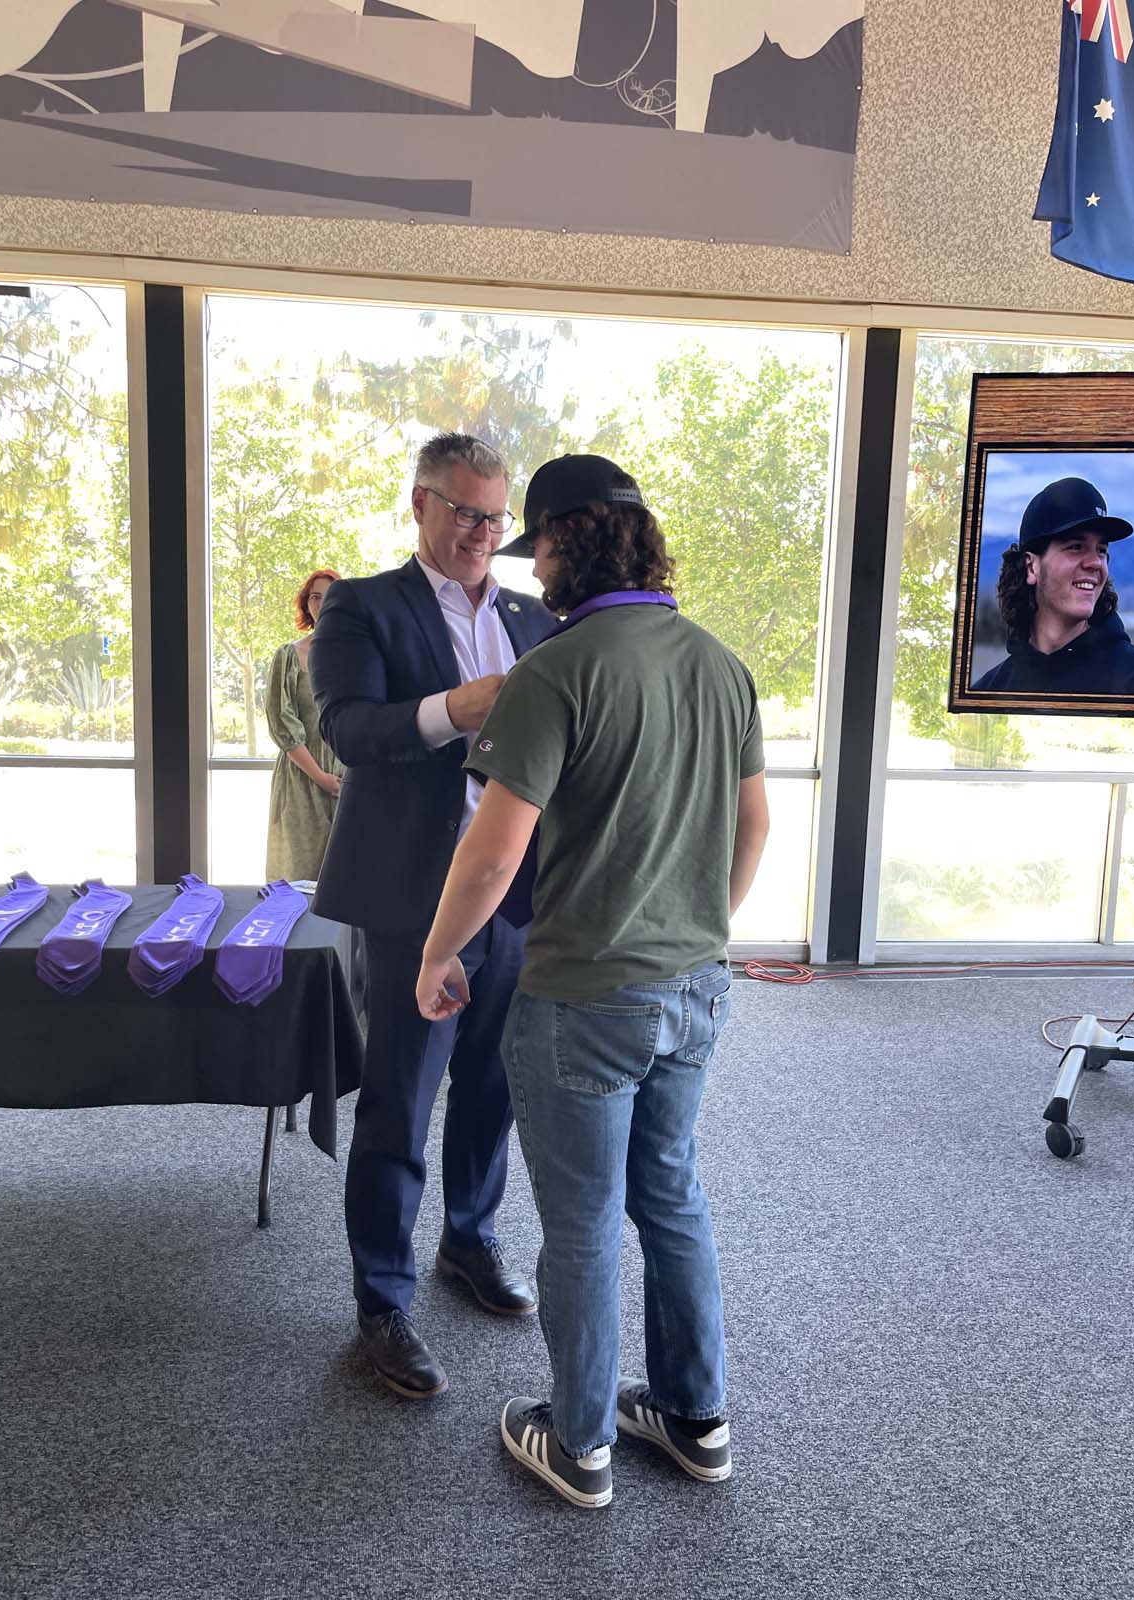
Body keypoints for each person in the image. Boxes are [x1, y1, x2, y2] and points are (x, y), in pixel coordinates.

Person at [415, 454, 769, 1509]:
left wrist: (439, 954)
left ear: (568, 541)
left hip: (580, 1000)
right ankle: (697, 1420)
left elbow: (491, 853)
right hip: (696, 987)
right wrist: (696, 929)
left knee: (578, 1220)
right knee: (671, 1196)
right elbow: (753, 825)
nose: (536, 569)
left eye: (539, 546)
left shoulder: (555, 671)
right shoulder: (718, 661)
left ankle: (579, 1447)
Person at [310, 432, 554, 1400]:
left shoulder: (538, 620)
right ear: (420, 504)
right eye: (464, 512)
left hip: (516, 895)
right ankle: (380, 1304)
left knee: (495, 1085)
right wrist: (455, 706)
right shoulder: (364, 606)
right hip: (413, 896)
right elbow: (348, 730)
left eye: (496, 517)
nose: (483, 533)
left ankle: (470, 1239)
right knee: (400, 1102)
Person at [971, 476, 1134, 694]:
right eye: (1076, 546)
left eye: (1101, 550)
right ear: (1031, 567)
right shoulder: (990, 691)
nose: (1096, 563)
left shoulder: (1133, 680)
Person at [264, 568, 343, 883]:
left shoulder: (359, 656)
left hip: (347, 777)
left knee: (345, 876)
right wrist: (320, 777)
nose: (322, 603)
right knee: (299, 873)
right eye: (315, 596)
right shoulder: (288, 656)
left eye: (330, 596)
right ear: (306, 604)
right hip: (302, 777)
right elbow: (282, 722)